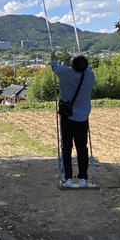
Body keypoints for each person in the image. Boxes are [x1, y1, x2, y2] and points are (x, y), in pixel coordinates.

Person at [50, 50, 95, 188]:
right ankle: (83, 179)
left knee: (66, 147)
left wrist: (53, 55)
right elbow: (86, 67)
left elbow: (54, 65)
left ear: (72, 65)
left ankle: (67, 178)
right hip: (83, 117)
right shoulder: (89, 75)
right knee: (82, 148)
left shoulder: (66, 73)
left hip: (67, 117)